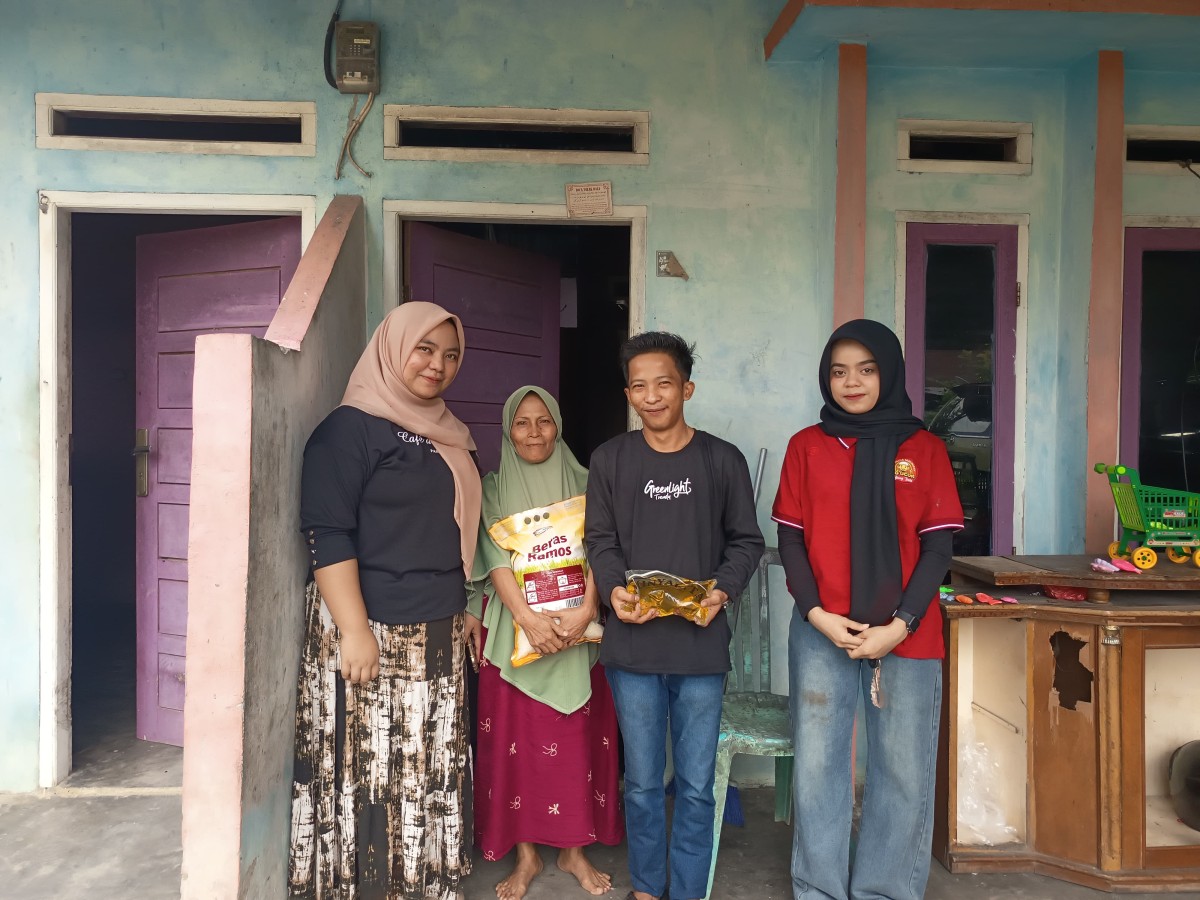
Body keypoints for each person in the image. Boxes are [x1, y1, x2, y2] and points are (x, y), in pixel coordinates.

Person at [288, 301, 482, 900]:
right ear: (393, 347)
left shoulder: (447, 431)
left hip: (439, 630)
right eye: (424, 349)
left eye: (450, 355)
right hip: (371, 628)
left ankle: (424, 880)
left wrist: (468, 605)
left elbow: (463, 527)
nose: (438, 365)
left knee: (427, 764)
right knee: (369, 765)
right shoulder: (347, 430)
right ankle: (366, 885)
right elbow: (328, 533)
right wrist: (353, 631)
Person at [771, 319, 964, 900]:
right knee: (817, 768)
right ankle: (820, 889)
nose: (851, 382)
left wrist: (898, 626)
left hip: (906, 634)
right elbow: (790, 541)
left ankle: (884, 890)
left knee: (902, 771)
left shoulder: (924, 449)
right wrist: (815, 614)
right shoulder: (808, 445)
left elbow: (938, 550)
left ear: (889, 372)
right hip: (822, 630)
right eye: (838, 370)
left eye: (866, 368)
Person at [584, 332, 764, 900]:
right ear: (628, 393)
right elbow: (600, 541)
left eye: (664, 383)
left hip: (699, 649)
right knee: (640, 784)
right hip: (632, 652)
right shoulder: (611, 460)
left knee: (693, 787)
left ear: (686, 387)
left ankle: (686, 890)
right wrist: (613, 592)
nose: (652, 396)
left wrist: (723, 591)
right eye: (640, 385)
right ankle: (646, 886)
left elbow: (746, 542)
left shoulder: (721, 460)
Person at [466, 386, 624, 900]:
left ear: (558, 425)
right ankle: (526, 855)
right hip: (516, 634)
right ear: (508, 430)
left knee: (577, 743)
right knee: (515, 748)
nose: (534, 433)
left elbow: (604, 546)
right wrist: (528, 620)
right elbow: (492, 556)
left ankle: (573, 849)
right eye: (522, 423)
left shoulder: (587, 481)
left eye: (544, 422)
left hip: (582, 629)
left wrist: (585, 611)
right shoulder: (492, 487)